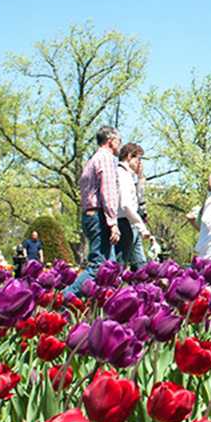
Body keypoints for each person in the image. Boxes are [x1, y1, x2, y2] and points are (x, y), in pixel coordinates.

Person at [64, 126, 122, 299]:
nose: (120, 145)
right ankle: (66, 297)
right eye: (119, 141)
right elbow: (108, 191)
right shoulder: (106, 158)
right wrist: (113, 222)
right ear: (111, 140)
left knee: (110, 267)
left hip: (90, 215)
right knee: (98, 266)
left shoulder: (93, 159)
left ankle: (102, 304)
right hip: (100, 217)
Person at [115, 143, 151, 267]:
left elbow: (139, 199)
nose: (139, 163)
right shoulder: (122, 174)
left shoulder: (129, 176)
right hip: (124, 224)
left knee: (141, 266)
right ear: (129, 156)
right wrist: (142, 227)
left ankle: (144, 287)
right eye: (138, 159)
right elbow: (126, 205)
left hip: (131, 225)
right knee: (119, 265)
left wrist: (140, 178)